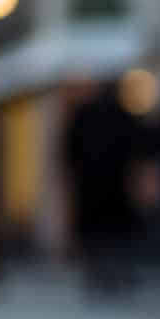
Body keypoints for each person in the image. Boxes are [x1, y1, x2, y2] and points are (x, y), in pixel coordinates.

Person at [61, 76, 148, 297]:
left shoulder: (84, 114)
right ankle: (115, 273)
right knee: (115, 232)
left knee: (96, 233)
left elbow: (69, 149)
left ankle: (98, 274)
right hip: (116, 184)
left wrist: (74, 172)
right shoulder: (123, 116)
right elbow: (138, 146)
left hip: (91, 184)